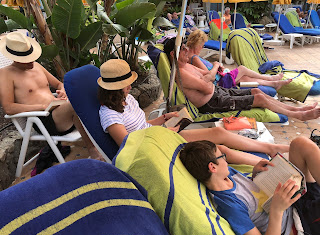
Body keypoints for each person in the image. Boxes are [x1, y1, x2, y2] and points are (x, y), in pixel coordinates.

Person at [97, 59, 289, 166]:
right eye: (125, 85)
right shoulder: (109, 115)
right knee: (217, 150)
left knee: (219, 133)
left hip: (158, 134)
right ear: (113, 89)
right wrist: (163, 132)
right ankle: (265, 164)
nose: (130, 86)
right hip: (150, 147)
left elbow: (142, 125)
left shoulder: (127, 99)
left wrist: (165, 118)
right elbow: (128, 144)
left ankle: (271, 149)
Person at [179, 137, 320, 235]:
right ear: (213, 167)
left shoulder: (228, 175)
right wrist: (277, 210)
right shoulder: (230, 207)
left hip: (294, 197)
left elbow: (251, 196)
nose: (226, 159)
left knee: (300, 144)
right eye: (221, 156)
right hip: (300, 221)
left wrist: (255, 176)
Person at [0, 32, 103, 160]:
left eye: (32, 57)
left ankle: (107, 137)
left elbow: (59, 84)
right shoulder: (6, 74)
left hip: (59, 111)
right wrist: (41, 106)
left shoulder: (37, 66)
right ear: (15, 58)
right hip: (44, 120)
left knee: (85, 93)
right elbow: (9, 108)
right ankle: (92, 149)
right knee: (74, 105)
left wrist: (63, 91)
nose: (31, 62)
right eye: (26, 60)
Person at [163, 38, 320, 121]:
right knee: (260, 98)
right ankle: (298, 115)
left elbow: (208, 76)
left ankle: (298, 109)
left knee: (257, 90)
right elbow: (205, 85)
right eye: (183, 48)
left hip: (219, 92)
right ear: (173, 54)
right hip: (212, 103)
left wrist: (209, 75)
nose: (187, 49)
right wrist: (212, 71)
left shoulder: (186, 66)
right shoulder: (180, 74)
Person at [186, 30, 292, 90]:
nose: (202, 48)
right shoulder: (194, 58)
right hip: (219, 82)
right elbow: (210, 76)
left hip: (221, 79)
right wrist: (216, 64)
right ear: (197, 44)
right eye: (202, 45)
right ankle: (270, 79)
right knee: (242, 69)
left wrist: (216, 65)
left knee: (244, 78)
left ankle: (273, 83)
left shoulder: (192, 57)